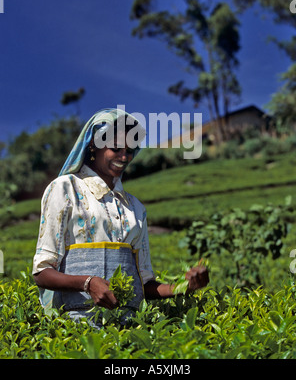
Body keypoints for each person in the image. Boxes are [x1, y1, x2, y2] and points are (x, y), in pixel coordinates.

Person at [32, 108, 209, 325]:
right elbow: (42, 271)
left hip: (127, 328)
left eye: (130, 149)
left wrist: (184, 287)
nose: (124, 157)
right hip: (74, 327)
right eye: (115, 148)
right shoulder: (64, 189)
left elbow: (144, 284)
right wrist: (88, 283)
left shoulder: (135, 208)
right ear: (93, 146)